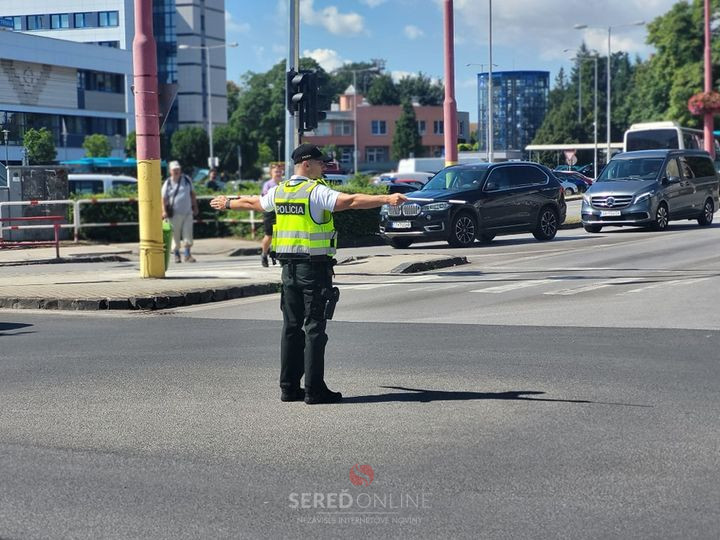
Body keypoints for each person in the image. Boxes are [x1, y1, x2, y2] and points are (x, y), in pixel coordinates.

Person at [210, 144, 407, 404]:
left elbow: (253, 203)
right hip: (313, 270)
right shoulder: (315, 192)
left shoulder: (279, 192)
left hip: (288, 272)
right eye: (320, 162)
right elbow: (350, 201)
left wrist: (227, 203)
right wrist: (386, 199)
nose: (324, 166)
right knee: (314, 328)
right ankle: (315, 390)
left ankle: (289, 388)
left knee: (291, 328)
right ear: (306, 164)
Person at [162, 160, 199, 263]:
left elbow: (192, 194)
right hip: (173, 214)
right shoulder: (168, 183)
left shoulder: (187, 180)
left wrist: (195, 207)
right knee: (175, 235)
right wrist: (164, 211)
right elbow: (163, 199)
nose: (176, 171)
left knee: (188, 233)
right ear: (170, 171)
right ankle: (177, 255)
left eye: (178, 169)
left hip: (187, 212)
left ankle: (187, 254)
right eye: (174, 170)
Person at [259, 162, 284, 267]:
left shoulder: (284, 183)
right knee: (269, 236)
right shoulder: (268, 184)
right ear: (271, 173)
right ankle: (264, 254)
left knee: (283, 236)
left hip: (281, 211)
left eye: (279, 171)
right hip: (270, 212)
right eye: (276, 171)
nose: (278, 173)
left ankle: (282, 257)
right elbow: (264, 198)